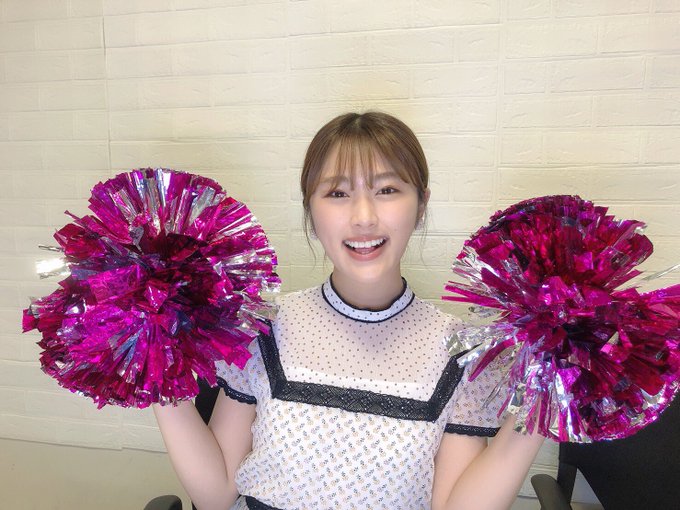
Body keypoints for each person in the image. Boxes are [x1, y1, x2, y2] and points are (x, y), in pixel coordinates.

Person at [153, 112, 544, 510]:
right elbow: (217, 496)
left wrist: (549, 395)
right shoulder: (262, 326)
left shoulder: (460, 353)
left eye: (387, 189)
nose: (363, 218)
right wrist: (151, 363)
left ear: (421, 205)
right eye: (337, 193)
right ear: (310, 210)